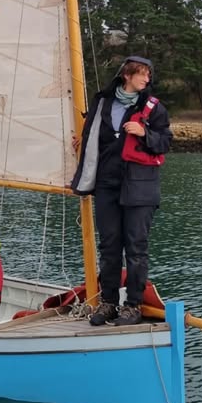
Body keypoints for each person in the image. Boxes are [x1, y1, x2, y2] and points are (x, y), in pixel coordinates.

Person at [71, 55, 172, 327]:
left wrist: (143, 132)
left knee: (136, 248)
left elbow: (165, 142)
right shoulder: (102, 102)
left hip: (140, 187)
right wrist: (80, 139)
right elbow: (92, 132)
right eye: (142, 74)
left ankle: (133, 305)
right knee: (109, 247)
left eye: (149, 75)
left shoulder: (154, 108)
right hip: (106, 184)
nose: (147, 79)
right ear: (127, 75)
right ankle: (109, 303)